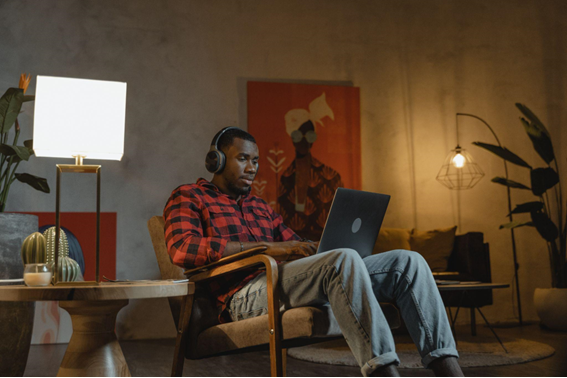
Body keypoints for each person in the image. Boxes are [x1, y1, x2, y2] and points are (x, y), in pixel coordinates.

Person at [163, 127, 463, 377]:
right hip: (240, 297)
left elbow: (298, 247)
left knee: (407, 261)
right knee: (341, 261)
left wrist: (322, 248)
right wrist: (269, 248)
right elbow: (182, 249)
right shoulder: (189, 196)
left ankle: (448, 367)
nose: (252, 167)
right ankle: (384, 372)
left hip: (277, 282)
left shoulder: (260, 207)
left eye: (255, 160)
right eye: (242, 158)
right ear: (215, 161)